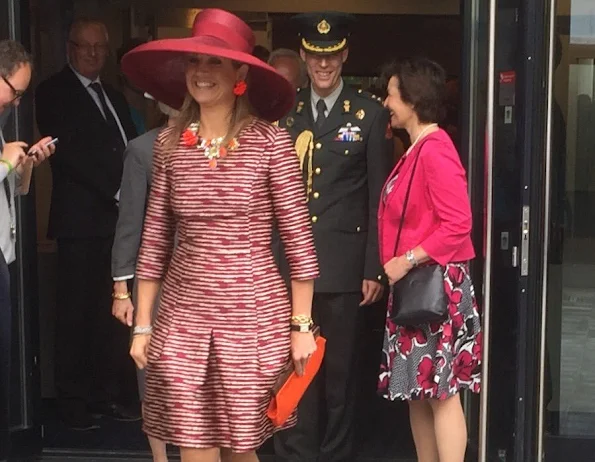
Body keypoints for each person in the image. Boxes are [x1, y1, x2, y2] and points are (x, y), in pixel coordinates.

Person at [120, 8, 319, 461]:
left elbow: (299, 243)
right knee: (195, 445)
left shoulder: (271, 143)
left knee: (240, 448)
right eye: (194, 62)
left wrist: (301, 326)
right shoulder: (169, 145)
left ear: (240, 73)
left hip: (251, 319)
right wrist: (143, 324)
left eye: (215, 63)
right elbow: (153, 243)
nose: (201, 73)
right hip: (182, 320)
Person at [274, 12, 394, 462]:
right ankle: (295, 453)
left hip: (344, 267)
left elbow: (376, 197)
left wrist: (373, 267)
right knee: (293, 368)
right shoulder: (284, 111)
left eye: (331, 57)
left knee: (340, 374)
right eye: (314, 57)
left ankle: (337, 454)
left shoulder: (369, 113)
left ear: (344, 55)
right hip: (288, 265)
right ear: (304, 57)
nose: (323, 66)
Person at [35, 18, 139, 430]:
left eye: (100, 47)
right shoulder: (52, 91)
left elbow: (130, 146)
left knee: (110, 315)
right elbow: (70, 152)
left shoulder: (112, 95)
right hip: (80, 222)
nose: (93, 54)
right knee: (75, 315)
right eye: (85, 47)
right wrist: (117, 190)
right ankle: (72, 401)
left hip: (117, 225)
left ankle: (105, 394)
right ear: (69, 49)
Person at [378, 57, 482, 462]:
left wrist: (406, 259)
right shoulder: (418, 149)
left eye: (391, 93)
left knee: (440, 393)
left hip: (436, 288)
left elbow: (459, 223)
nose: (386, 101)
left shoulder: (435, 150)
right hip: (420, 288)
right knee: (418, 393)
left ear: (413, 99)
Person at [111, 98, 179, 462]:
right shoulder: (142, 149)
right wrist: (121, 288)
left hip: (205, 278)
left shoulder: (225, 145)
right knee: (150, 373)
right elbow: (129, 223)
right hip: (155, 278)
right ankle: (160, 458)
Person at [0, 39, 55, 461]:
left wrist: (26, 164)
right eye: (14, 91)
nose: (17, 102)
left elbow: (14, 190)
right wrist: (4, 161)